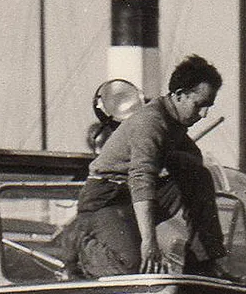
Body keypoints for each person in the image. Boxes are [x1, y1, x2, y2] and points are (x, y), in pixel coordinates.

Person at [62, 55, 231, 278]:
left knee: (198, 176)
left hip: (131, 199)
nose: (204, 114)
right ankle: (81, 248)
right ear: (179, 95)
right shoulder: (150, 122)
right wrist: (149, 244)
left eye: (208, 106)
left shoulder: (174, 123)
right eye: (199, 105)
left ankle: (203, 266)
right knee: (133, 268)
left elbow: (193, 163)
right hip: (105, 199)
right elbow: (142, 180)